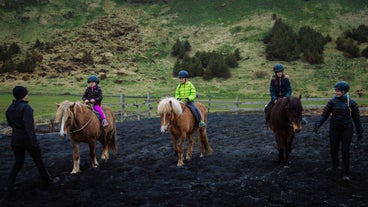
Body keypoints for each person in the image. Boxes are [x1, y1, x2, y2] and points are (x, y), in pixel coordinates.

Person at [5, 86, 59, 192]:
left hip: (15, 140)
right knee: (39, 161)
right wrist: (34, 142)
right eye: (26, 94)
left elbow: (10, 123)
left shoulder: (9, 108)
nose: (27, 95)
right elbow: (29, 127)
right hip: (27, 140)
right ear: (23, 95)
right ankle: (49, 181)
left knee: (18, 162)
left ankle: (9, 184)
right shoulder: (26, 108)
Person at [313, 81, 363, 180]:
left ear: (344, 91)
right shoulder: (332, 102)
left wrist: (359, 131)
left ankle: (346, 172)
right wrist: (318, 124)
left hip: (347, 130)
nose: (336, 92)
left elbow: (356, 118)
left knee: (345, 151)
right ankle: (335, 166)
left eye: (338, 90)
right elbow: (325, 115)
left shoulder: (351, 103)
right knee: (333, 150)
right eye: (336, 90)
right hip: (334, 129)